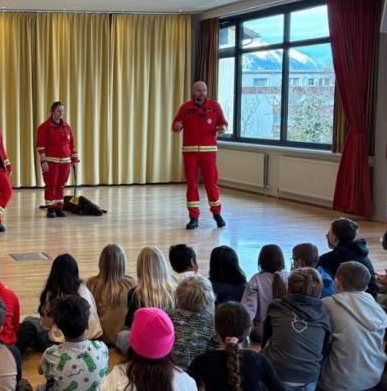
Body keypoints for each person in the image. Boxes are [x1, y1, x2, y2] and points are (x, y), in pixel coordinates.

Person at [260, 268, 331, 391]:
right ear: (319, 292)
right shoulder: (324, 312)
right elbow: (324, 349)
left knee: (245, 375)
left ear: (288, 288)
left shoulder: (276, 306)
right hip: (309, 386)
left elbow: (265, 341)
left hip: (272, 389)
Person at [318, 262, 387, 391]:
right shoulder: (377, 308)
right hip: (372, 380)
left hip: (334, 383)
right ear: (366, 286)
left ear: (336, 282)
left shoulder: (326, 304)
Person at [38, 295, 109, 391]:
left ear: (58, 327)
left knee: (50, 382)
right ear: (87, 324)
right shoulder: (101, 348)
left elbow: (40, 370)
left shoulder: (51, 353)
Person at [172, 81, 228, 230]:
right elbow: (175, 125)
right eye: (198, 90)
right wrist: (177, 126)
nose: (201, 93)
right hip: (190, 153)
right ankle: (194, 217)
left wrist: (222, 128)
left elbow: (223, 123)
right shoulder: (185, 108)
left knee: (211, 183)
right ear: (193, 92)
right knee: (192, 185)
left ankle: (217, 214)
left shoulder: (214, 107)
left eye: (204, 90)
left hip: (208, 153)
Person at [18, 254, 103, 353]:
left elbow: (46, 324)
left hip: (59, 343)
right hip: (88, 339)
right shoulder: (84, 289)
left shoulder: (53, 293)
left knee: (30, 320)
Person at [116, 247, 177, 354]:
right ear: (163, 265)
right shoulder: (174, 290)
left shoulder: (135, 293)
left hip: (143, 344)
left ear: (140, 269)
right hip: (166, 342)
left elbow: (130, 324)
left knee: (121, 336)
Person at [87, 244, 138, 347]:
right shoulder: (132, 284)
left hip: (99, 339)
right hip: (123, 340)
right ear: (122, 263)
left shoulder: (91, 284)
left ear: (101, 263)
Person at [36, 101, 79, 218]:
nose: (61, 113)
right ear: (52, 112)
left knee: (61, 185)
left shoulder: (67, 127)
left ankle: (59, 206)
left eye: (63, 111)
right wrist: (43, 161)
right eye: (59, 111)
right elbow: (41, 146)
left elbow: (71, 145)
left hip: (65, 161)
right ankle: (50, 208)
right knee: (51, 184)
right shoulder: (44, 127)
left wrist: (74, 158)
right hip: (50, 161)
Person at [318, 217, 380, 296]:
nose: (326, 235)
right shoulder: (359, 250)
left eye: (330, 232)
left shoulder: (336, 256)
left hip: (357, 301)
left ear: (335, 237)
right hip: (371, 297)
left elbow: (314, 265)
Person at [167, 274, 217, 371]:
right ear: (208, 298)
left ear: (178, 294)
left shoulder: (166, 315)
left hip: (168, 371)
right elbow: (212, 351)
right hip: (198, 374)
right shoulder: (211, 321)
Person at [240, 244, 287, 342]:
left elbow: (248, 310)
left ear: (261, 262)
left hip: (263, 333)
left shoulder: (256, 279)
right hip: (287, 331)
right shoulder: (290, 277)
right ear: (282, 260)